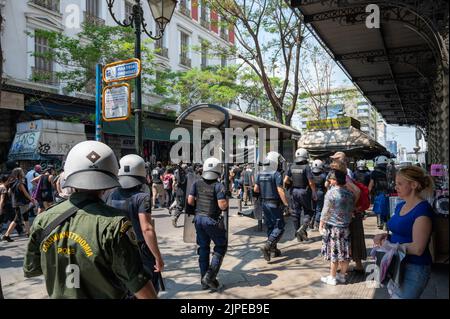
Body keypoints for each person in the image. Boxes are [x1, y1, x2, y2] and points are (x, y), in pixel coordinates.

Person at [23, 140, 157, 299]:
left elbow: (31, 268)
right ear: (110, 179)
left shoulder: (43, 219)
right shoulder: (115, 224)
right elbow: (138, 283)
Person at [106, 154, 165, 293]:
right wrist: (158, 256)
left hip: (116, 248)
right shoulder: (142, 197)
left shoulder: (111, 194)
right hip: (140, 250)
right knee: (147, 287)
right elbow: (146, 229)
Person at [373, 166, 434, 299]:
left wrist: (389, 245)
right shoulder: (400, 205)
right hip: (396, 264)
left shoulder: (423, 211)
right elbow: (401, 232)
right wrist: (386, 236)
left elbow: (418, 248)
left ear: (414, 185)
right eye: (396, 183)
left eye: (400, 184)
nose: (396, 187)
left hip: (414, 269)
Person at [188, 157, 228, 290]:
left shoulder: (196, 183)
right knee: (221, 245)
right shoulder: (218, 185)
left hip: (198, 219)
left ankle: (203, 280)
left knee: (203, 248)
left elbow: (190, 201)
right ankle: (210, 276)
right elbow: (222, 206)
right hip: (211, 220)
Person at [319, 169, 355, 285]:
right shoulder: (350, 193)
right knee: (345, 253)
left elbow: (325, 211)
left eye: (331, 179)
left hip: (334, 228)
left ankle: (332, 277)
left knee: (334, 253)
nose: (330, 181)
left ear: (335, 180)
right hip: (346, 227)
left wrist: (321, 225)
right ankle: (342, 276)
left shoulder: (331, 193)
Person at [255, 151, 289, 261]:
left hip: (264, 203)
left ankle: (273, 250)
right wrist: (286, 204)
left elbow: (256, 189)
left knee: (270, 226)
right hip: (274, 204)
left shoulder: (260, 174)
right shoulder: (276, 174)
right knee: (279, 226)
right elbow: (280, 190)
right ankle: (268, 246)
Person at [283, 148, 317, 242]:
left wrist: (293, 182)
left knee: (295, 214)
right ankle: (302, 230)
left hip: (293, 192)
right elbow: (311, 182)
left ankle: (298, 236)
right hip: (304, 192)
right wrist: (314, 192)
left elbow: (285, 180)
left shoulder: (291, 166)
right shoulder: (306, 167)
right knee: (309, 211)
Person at [2, 168, 36, 241]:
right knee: (16, 219)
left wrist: (14, 198)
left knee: (25, 217)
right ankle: (6, 235)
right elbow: (25, 193)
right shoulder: (20, 183)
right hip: (21, 203)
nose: (23, 173)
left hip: (16, 202)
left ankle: (28, 233)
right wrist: (31, 199)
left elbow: (9, 192)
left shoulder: (12, 182)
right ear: (19, 174)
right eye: (22, 172)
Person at [369, 155, 390, 229]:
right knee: (387, 208)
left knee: (379, 208)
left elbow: (371, 184)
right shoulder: (389, 171)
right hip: (389, 193)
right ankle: (386, 223)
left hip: (378, 193)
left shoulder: (374, 172)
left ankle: (380, 223)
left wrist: (368, 192)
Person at [311, 159, 327, 230]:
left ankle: (311, 222)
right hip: (320, 193)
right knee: (319, 209)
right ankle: (316, 224)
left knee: (313, 209)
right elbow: (326, 186)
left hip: (311, 193)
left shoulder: (310, 175)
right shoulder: (323, 176)